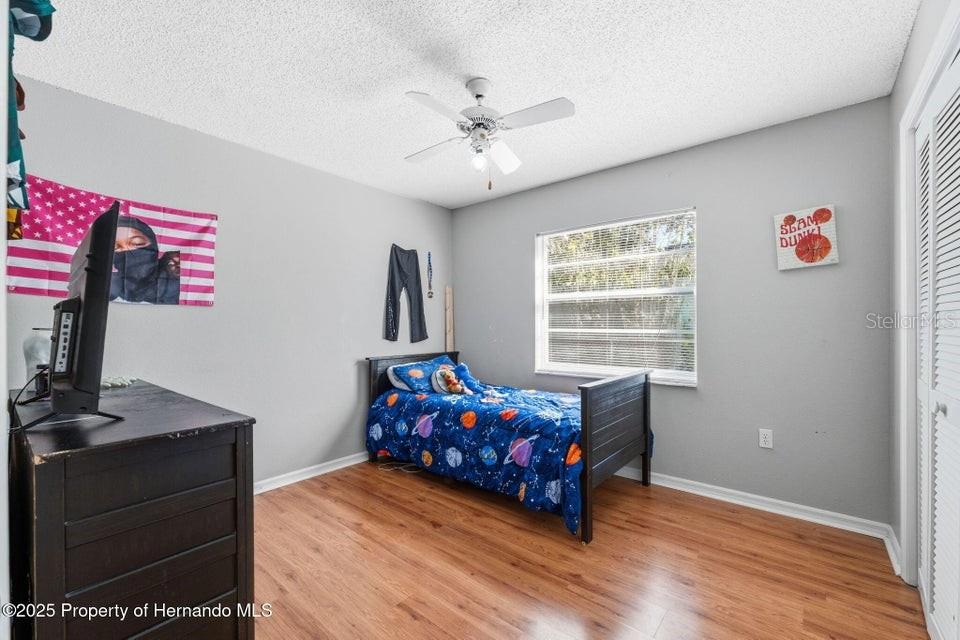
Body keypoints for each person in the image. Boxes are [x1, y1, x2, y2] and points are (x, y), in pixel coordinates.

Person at [110, 215, 180, 304]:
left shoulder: (176, 282)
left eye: (137, 243)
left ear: (153, 245)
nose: (127, 251)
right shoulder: (111, 286)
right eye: (116, 248)